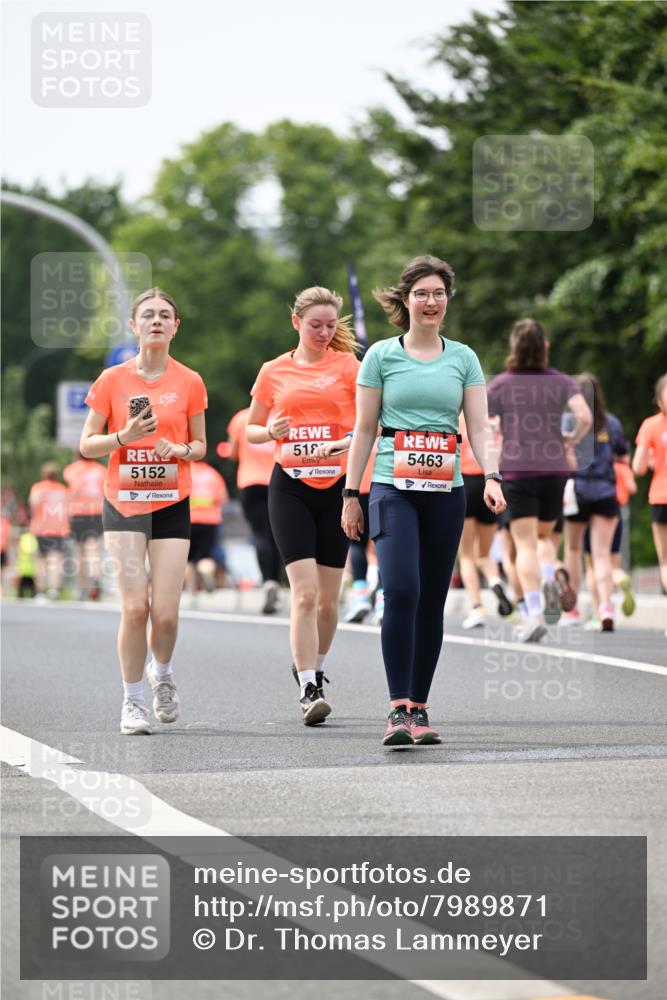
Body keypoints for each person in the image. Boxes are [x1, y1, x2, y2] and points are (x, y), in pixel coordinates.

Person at [341, 255, 506, 748]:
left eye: (438, 294)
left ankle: (419, 707)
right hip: (392, 487)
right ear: (405, 299)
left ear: (447, 301)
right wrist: (352, 494)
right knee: (403, 590)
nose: (430, 302)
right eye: (421, 293)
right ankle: (396, 709)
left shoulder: (463, 358)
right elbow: (364, 429)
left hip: (447, 492)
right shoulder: (380, 357)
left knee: (432, 600)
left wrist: (493, 476)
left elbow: (476, 425)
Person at [80, 288, 208, 735]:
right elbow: (86, 444)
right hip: (124, 503)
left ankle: (163, 673)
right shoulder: (112, 379)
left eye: (165, 315)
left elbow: (201, 445)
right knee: (135, 609)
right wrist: (124, 436)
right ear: (134, 326)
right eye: (148, 315)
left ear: (176, 327)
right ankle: (132, 702)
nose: (157, 321)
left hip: (172, 502)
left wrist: (181, 449)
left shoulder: (190, 380)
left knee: (166, 613)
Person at [247, 286, 359, 725]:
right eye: (316, 325)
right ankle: (308, 686)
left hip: (337, 487)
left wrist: (347, 442)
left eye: (331, 326)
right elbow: (252, 430)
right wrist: (271, 430)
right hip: (289, 486)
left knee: (330, 603)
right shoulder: (273, 371)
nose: (324, 333)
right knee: (306, 593)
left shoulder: (349, 366)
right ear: (296, 323)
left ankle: (315, 664)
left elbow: (369, 422)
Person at [487, 320, 592, 642]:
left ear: (513, 348)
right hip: (554, 468)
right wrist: (571, 440)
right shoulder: (561, 381)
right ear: (545, 346)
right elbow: (585, 417)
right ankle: (549, 574)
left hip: (518, 469)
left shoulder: (502, 384)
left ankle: (533, 611)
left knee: (525, 545)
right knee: (547, 539)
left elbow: (486, 425)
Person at [563, 373, 629, 632]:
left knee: (573, 550)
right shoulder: (611, 422)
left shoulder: (568, 421)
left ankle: (572, 608)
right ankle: (605, 607)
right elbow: (623, 456)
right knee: (601, 554)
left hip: (577, 489)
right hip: (605, 491)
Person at [458, 415, 513, 629]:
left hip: (465, 481)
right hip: (491, 482)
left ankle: (476, 608)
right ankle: (495, 581)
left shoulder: (462, 416)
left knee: (466, 555)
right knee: (484, 553)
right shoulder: (499, 421)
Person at [227, 406, 283, 613]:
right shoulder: (282, 416)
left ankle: (267, 580)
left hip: (250, 482)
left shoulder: (241, 418)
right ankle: (275, 581)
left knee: (260, 535)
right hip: (278, 482)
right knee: (277, 535)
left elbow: (232, 452)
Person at [633, 373, 667, 622]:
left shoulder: (651, 425)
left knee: (665, 561)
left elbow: (638, 467)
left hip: (661, 496)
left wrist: (655, 459)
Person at [63, 452, 106, 600]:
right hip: (96, 512)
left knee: (80, 552)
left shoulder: (72, 469)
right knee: (93, 548)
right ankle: (95, 576)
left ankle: (82, 587)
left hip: (78, 513)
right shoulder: (101, 470)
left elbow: (74, 489)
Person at [185, 459, 228, 604]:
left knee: (189, 559)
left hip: (189, 519)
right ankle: (207, 572)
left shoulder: (185, 471)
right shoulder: (213, 474)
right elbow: (224, 498)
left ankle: (192, 594)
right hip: (210, 520)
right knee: (206, 555)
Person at [28, 461, 70, 600]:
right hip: (59, 529)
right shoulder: (63, 489)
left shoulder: (38, 487)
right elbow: (68, 509)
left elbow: (33, 503)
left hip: (41, 529)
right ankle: (54, 591)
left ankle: (40, 592)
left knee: (40, 561)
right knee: (55, 561)